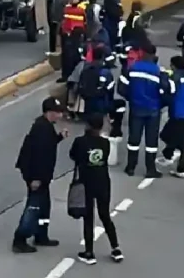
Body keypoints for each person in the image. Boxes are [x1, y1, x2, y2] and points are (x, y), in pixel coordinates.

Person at [13, 97, 68, 254]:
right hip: (37, 177)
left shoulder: (46, 127)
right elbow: (38, 156)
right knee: (33, 207)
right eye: (58, 112)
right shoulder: (41, 129)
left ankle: (41, 235)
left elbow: (47, 146)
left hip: (43, 177)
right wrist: (35, 178)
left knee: (44, 207)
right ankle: (20, 239)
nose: (60, 115)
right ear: (49, 112)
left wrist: (59, 137)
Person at [68, 113, 123, 265]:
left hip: (86, 183)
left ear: (87, 125)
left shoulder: (80, 142)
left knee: (88, 217)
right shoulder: (105, 143)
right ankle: (116, 248)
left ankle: (89, 252)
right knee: (105, 215)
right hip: (103, 182)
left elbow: (73, 156)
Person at [120, 42, 173, 178]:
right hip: (153, 110)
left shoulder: (131, 68)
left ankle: (130, 167)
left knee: (133, 139)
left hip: (136, 108)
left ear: (142, 53)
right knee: (151, 142)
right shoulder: (159, 72)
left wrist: (132, 98)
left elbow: (121, 88)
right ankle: (150, 169)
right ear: (154, 55)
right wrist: (160, 104)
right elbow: (167, 92)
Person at [160, 56, 184, 178]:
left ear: (174, 66)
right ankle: (181, 168)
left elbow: (169, 93)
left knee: (166, 135)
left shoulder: (174, 78)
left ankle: (171, 151)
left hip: (178, 114)